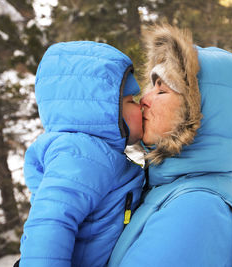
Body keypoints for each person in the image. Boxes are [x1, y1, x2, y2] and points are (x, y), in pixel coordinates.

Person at [108, 24, 232, 267]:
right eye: (151, 87)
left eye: (162, 91)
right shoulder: (174, 190)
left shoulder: (197, 209)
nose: (145, 99)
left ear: (201, 113)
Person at [18, 41, 144, 267]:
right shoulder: (83, 155)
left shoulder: (98, 154)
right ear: (105, 111)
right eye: (131, 101)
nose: (141, 106)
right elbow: (50, 222)